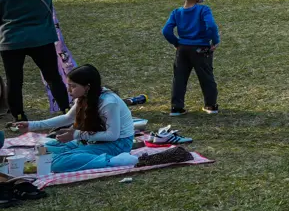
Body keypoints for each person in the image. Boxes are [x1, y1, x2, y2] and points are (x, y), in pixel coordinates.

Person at [16, 65, 187, 172]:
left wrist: (76, 135)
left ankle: (117, 161)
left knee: (57, 163)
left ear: (87, 87)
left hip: (117, 144)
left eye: (73, 86)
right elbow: (67, 118)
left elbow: (112, 136)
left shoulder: (108, 102)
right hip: (94, 141)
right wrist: (31, 125)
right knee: (50, 146)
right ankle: (85, 154)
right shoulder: (84, 98)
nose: (69, 90)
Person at [1, 0, 72, 119]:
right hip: (42, 38)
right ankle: (65, 111)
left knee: (14, 81)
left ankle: (18, 117)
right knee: (53, 77)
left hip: (10, 40)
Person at [162, 0, 219, 116]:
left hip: (183, 49)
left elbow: (166, 31)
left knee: (179, 78)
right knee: (206, 77)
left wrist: (176, 43)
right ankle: (211, 105)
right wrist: (214, 41)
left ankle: (177, 107)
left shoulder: (176, 12)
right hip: (201, 48)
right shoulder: (203, 10)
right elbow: (211, 26)